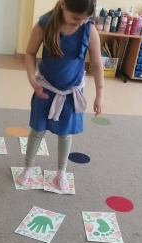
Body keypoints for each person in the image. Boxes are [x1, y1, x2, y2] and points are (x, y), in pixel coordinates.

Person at [18, 0, 104, 191]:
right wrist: (32, 80)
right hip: (45, 89)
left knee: (65, 134)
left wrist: (100, 94)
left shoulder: (89, 30)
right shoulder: (45, 25)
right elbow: (30, 53)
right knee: (37, 130)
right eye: (76, 18)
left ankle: (61, 172)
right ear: (63, 4)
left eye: (86, 19)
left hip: (71, 93)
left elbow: (98, 64)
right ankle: (28, 167)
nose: (80, 23)